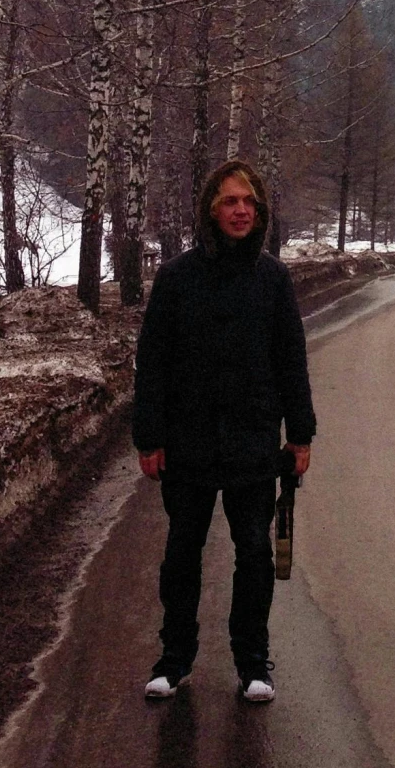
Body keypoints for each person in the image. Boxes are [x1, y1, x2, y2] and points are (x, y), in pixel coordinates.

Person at [132, 159, 315, 704]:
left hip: (253, 444)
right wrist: (149, 436)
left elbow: (291, 362)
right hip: (188, 444)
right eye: (231, 201)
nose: (241, 211)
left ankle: (253, 663)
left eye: (249, 203)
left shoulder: (273, 280)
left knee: (254, 554)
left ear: (258, 213)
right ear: (212, 209)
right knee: (182, 553)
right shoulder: (176, 278)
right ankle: (174, 659)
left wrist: (299, 435)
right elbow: (153, 363)